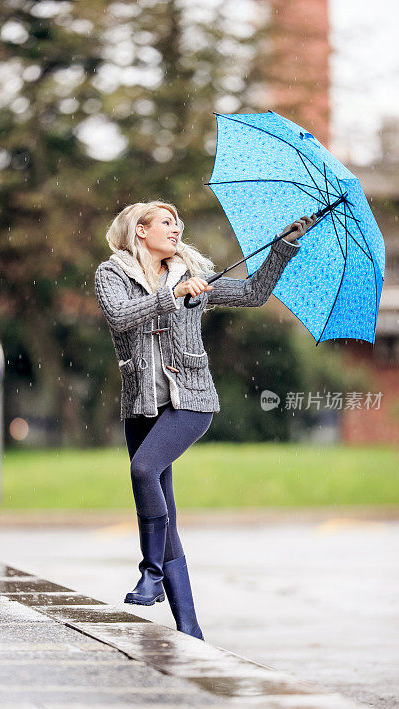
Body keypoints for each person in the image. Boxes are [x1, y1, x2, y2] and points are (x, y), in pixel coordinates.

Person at [94, 200, 315, 640]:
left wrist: (282, 247)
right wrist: (170, 296)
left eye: (178, 223)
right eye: (166, 223)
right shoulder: (111, 274)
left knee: (142, 469)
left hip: (191, 400)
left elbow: (254, 294)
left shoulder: (191, 275)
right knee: (164, 511)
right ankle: (190, 629)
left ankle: (151, 572)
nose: (177, 230)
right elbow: (120, 317)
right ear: (140, 231)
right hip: (142, 402)